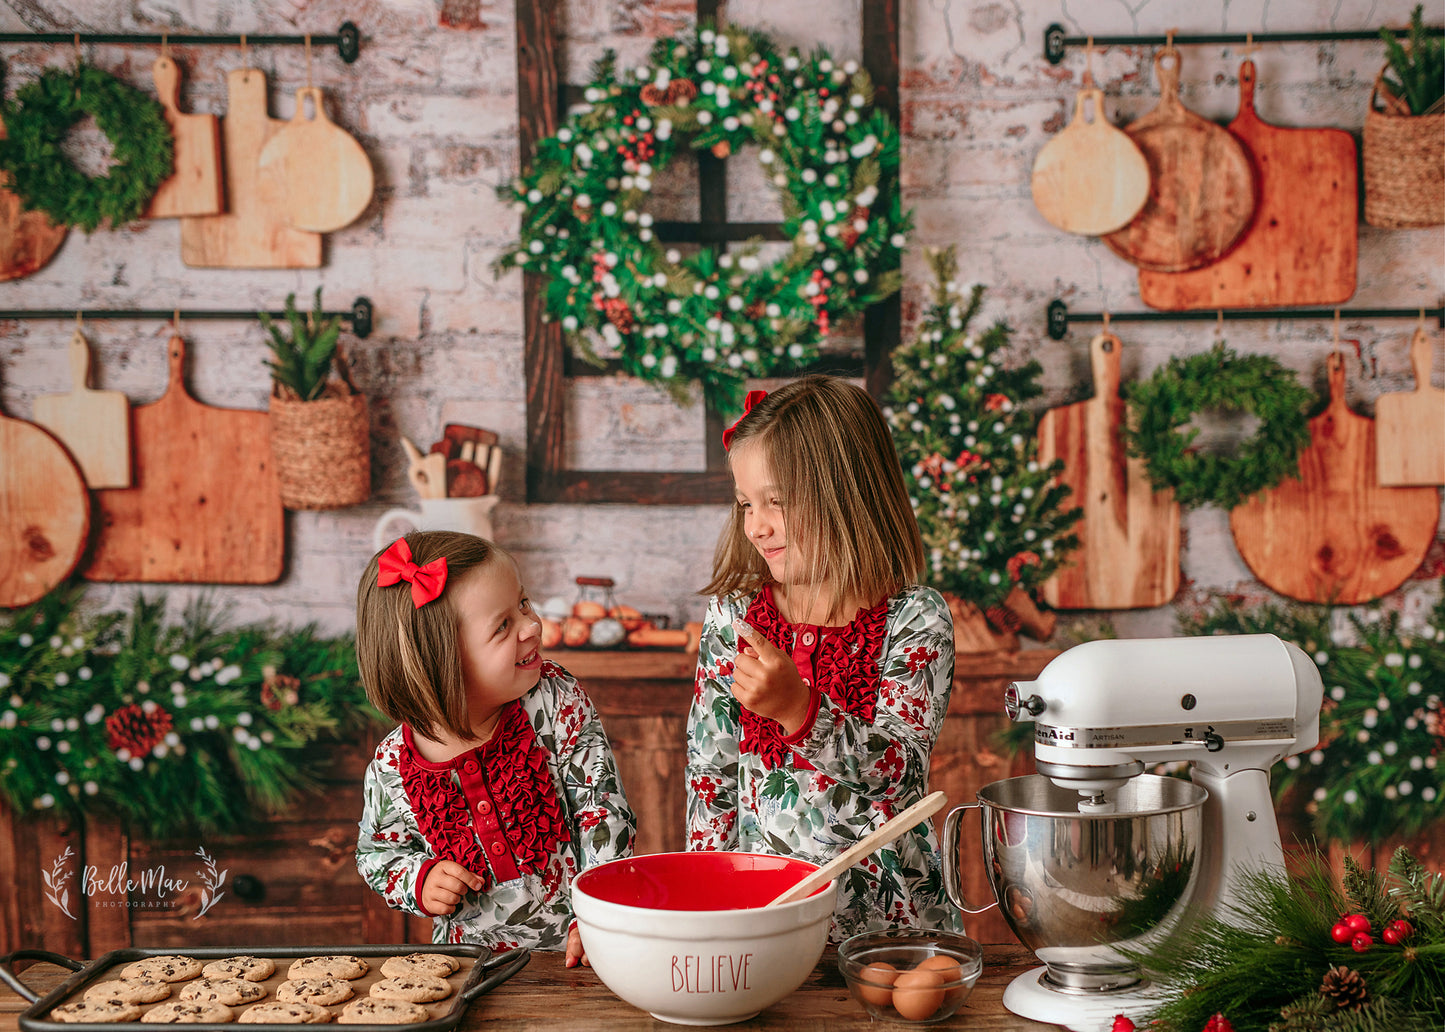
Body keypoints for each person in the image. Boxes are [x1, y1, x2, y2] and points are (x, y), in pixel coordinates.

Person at [686, 375, 959, 941]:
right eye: (745, 504)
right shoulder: (733, 616)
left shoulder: (915, 618)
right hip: (768, 923)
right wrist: (707, 908)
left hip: (894, 928)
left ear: (846, 492)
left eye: (776, 502)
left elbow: (900, 777)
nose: (755, 526)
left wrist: (801, 710)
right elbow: (710, 778)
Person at [354, 531, 635, 963]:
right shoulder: (393, 765)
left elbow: (602, 810)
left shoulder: (555, 700)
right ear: (441, 664)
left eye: (523, 603)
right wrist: (419, 879)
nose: (533, 625)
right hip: (468, 970)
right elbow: (377, 854)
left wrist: (599, 915)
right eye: (503, 625)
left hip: (583, 956)